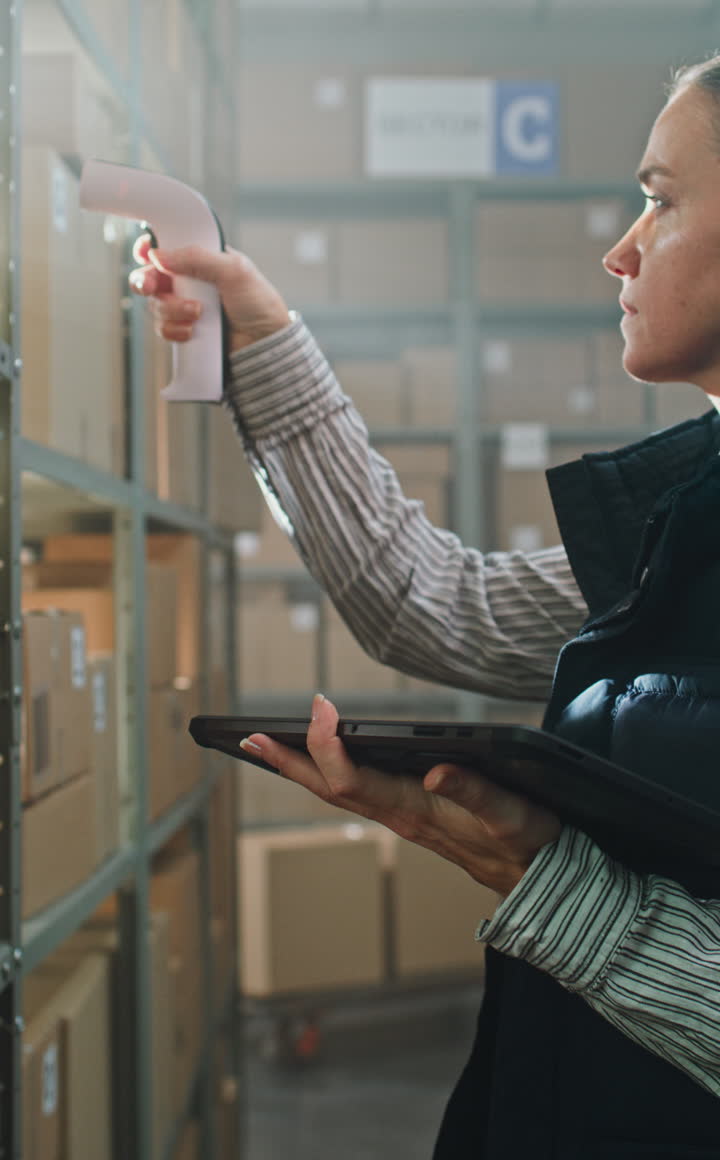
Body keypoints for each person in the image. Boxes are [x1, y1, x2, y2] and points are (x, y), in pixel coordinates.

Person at [131, 58, 720, 1158]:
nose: (622, 246)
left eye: (662, 197)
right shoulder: (683, 513)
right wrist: (261, 338)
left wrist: (550, 882)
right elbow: (434, 603)